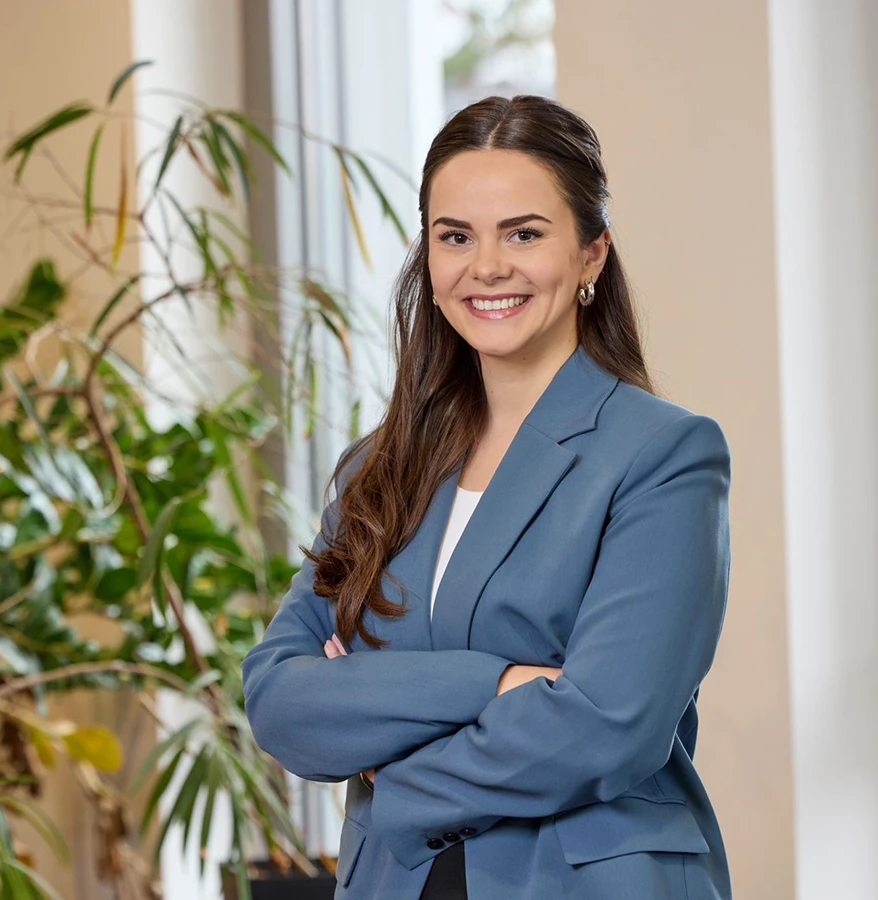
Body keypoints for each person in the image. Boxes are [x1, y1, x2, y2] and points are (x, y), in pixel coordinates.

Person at [241, 94, 733, 900]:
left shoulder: (661, 455)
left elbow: (604, 727)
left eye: (524, 233)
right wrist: (494, 683)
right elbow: (280, 700)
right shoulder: (379, 466)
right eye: (455, 236)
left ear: (590, 256)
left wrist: (388, 757)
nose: (487, 267)